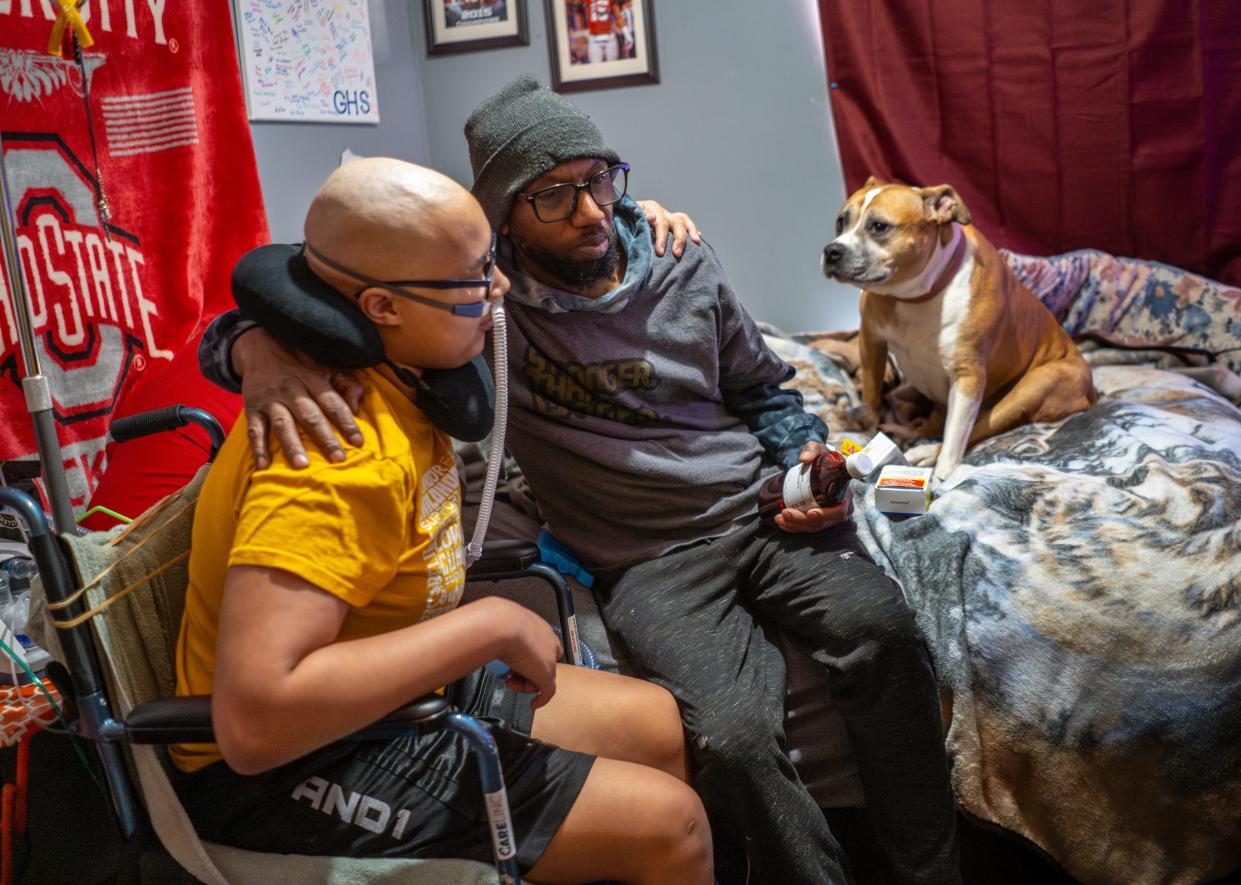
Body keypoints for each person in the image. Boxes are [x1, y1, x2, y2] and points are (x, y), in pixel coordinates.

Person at [200, 76, 960, 884]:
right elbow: (318, 282)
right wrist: (258, 349)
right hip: (648, 559)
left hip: (761, 512)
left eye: (599, 180)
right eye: (553, 197)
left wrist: (802, 463)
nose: (591, 211)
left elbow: (763, 390)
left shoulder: (674, 257)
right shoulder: (476, 313)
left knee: (880, 630)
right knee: (730, 738)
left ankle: (933, 871)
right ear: (501, 222)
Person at [174, 157, 712, 885]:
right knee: (668, 826)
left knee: (652, 720)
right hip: (293, 763)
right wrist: (483, 626)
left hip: (384, 692)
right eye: (473, 278)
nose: (497, 288)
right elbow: (256, 720)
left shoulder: (407, 373)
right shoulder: (334, 455)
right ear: (382, 308)